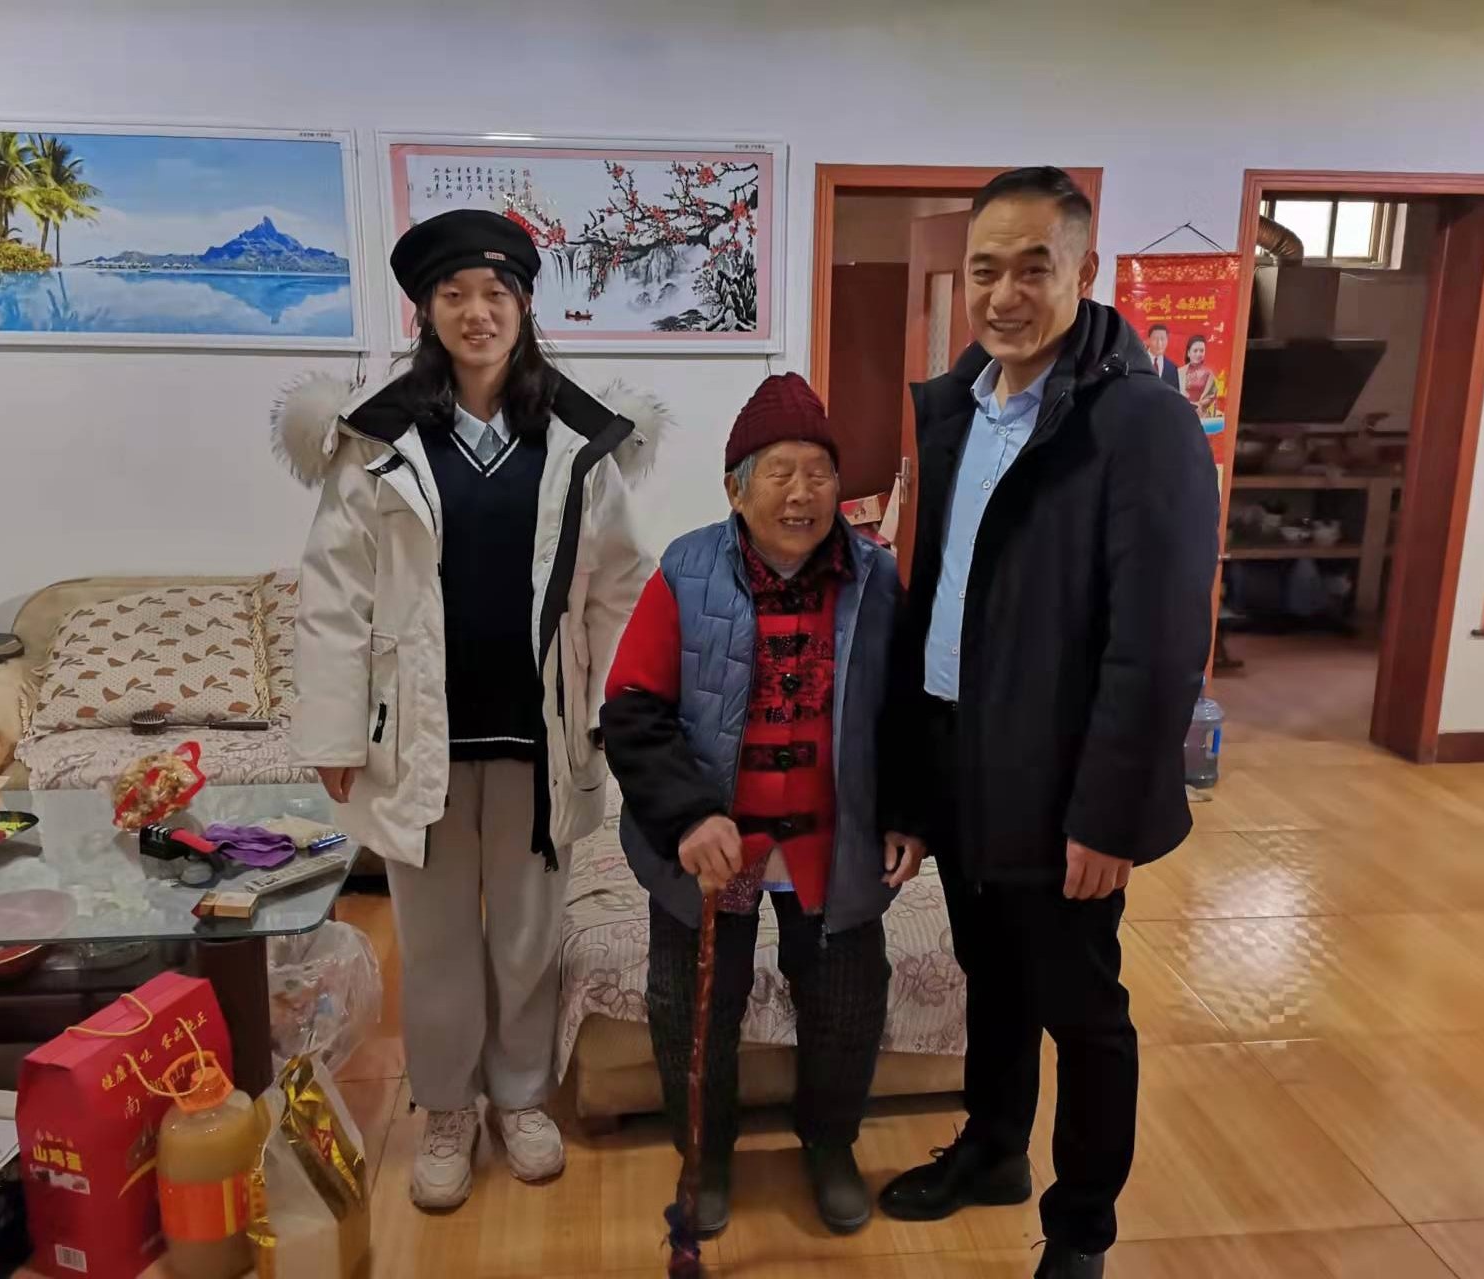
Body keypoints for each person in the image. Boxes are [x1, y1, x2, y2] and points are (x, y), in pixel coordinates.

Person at [876, 167, 1218, 1278]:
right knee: (992, 973)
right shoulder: (957, 407)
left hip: (1059, 773)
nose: (1004, 294)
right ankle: (991, 1148)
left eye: (1034, 267)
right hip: (955, 749)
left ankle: (1080, 1230)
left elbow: (1158, 641)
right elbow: (930, 602)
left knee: (1081, 1006)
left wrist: (1107, 814)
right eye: (986, 269)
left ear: (1084, 269)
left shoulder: (1139, 423)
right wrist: (909, 787)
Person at [281, 208, 658, 1210]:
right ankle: (448, 1107)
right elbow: (334, 594)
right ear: (427, 310)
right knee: (438, 937)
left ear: (524, 307)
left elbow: (621, 586)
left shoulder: (576, 438)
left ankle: (522, 1097)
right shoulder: (380, 439)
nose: (477, 312)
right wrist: (332, 732)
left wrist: (616, 710)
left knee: (527, 935)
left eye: (496, 294)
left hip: (539, 731)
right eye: (455, 294)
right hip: (422, 739)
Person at [601, 373, 924, 1239]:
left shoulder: (875, 578)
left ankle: (830, 1143)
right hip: (713, 844)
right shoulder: (686, 570)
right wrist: (687, 815)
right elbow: (631, 706)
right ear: (734, 488)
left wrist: (907, 810)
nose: (801, 493)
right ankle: (705, 1154)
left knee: (847, 1002)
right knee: (692, 1008)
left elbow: (906, 712)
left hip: (833, 841)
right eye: (779, 472)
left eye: (819, 472)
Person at [1179, 333, 1219, 417]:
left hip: (1201, 415)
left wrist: (1198, 405)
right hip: (1181, 413)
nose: (1198, 354)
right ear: (1188, 353)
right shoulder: (1179, 372)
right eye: (1195, 351)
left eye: (1201, 351)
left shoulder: (1208, 374)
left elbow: (1210, 397)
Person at [1145, 323, 1181, 389]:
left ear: (1167, 341)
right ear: (1148, 340)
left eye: (1162, 339)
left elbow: (1174, 393)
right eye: (1155, 339)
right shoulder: (1138, 363)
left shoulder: (1172, 368)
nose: (1159, 343)